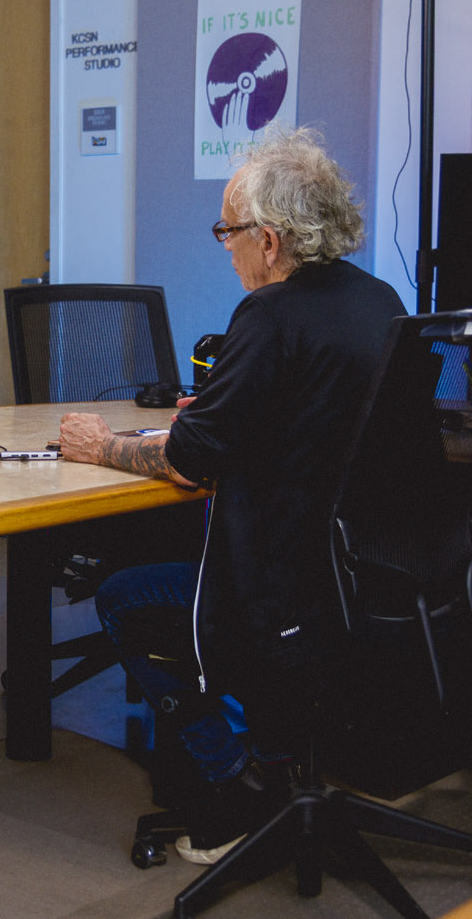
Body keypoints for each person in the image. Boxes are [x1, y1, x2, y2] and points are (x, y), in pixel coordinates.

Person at [59, 128, 405, 862]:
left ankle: (235, 780)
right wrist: (224, 418)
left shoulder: (269, 315)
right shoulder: (379, 300)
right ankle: (274, 762)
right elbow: (316, 421)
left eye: (229, 231)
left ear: (270, 241)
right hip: (362, 577)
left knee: (123, 596)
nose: (226, 247)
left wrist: (102, 446)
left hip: (281, 590)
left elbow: (189, 463)